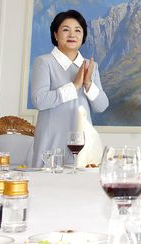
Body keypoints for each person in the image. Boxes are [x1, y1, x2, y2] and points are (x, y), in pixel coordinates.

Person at [31, 10, 108, 167]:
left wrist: (88, 84)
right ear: (55, 34)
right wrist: (74, 87)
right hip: (51, 142)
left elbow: (101, 106)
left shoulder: (91, 66)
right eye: (66, 29)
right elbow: (39, 101)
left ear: (83, 36)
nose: (72, 34)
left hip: (82, 142)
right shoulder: (44, 62)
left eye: (78, 30)